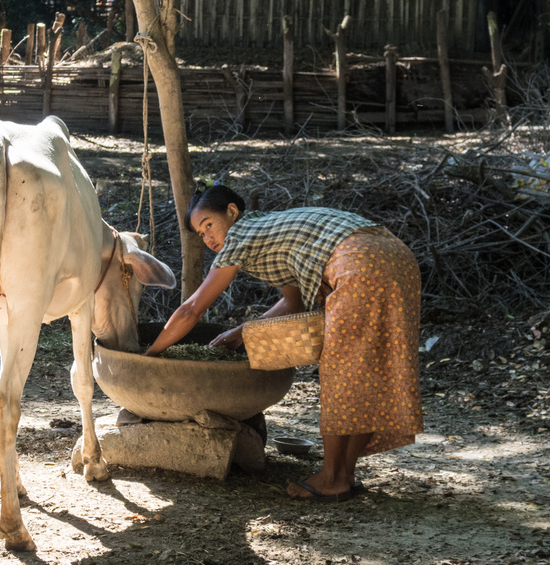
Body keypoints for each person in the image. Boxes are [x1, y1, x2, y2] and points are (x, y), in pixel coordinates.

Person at [145, 183, 423, 503]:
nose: (207, 238)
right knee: (366, 370)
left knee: (341, 371)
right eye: (200, 234)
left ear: (232, 212)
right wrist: (241, 332)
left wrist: (152, 354)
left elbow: (192, 308)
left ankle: (332, 478)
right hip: (394, 256)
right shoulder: (274, 232)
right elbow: (294, 305)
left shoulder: (242, 234)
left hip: (359, 262)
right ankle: (344, 475)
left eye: (209, 225)